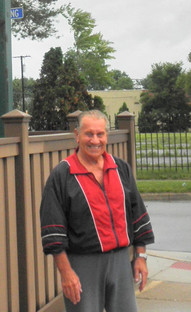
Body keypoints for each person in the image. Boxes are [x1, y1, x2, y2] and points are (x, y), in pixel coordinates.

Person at [40, 109, 154, 311]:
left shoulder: (120, 169)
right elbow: (53, 230)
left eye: (100, 134)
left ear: (106, 136)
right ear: (77, 135)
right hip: (82, 264)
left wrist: (141, 256)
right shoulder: (62, 175)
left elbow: (137, 214)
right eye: (89, 134)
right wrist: (66, 273)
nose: (95, 140)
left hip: (120, 262)